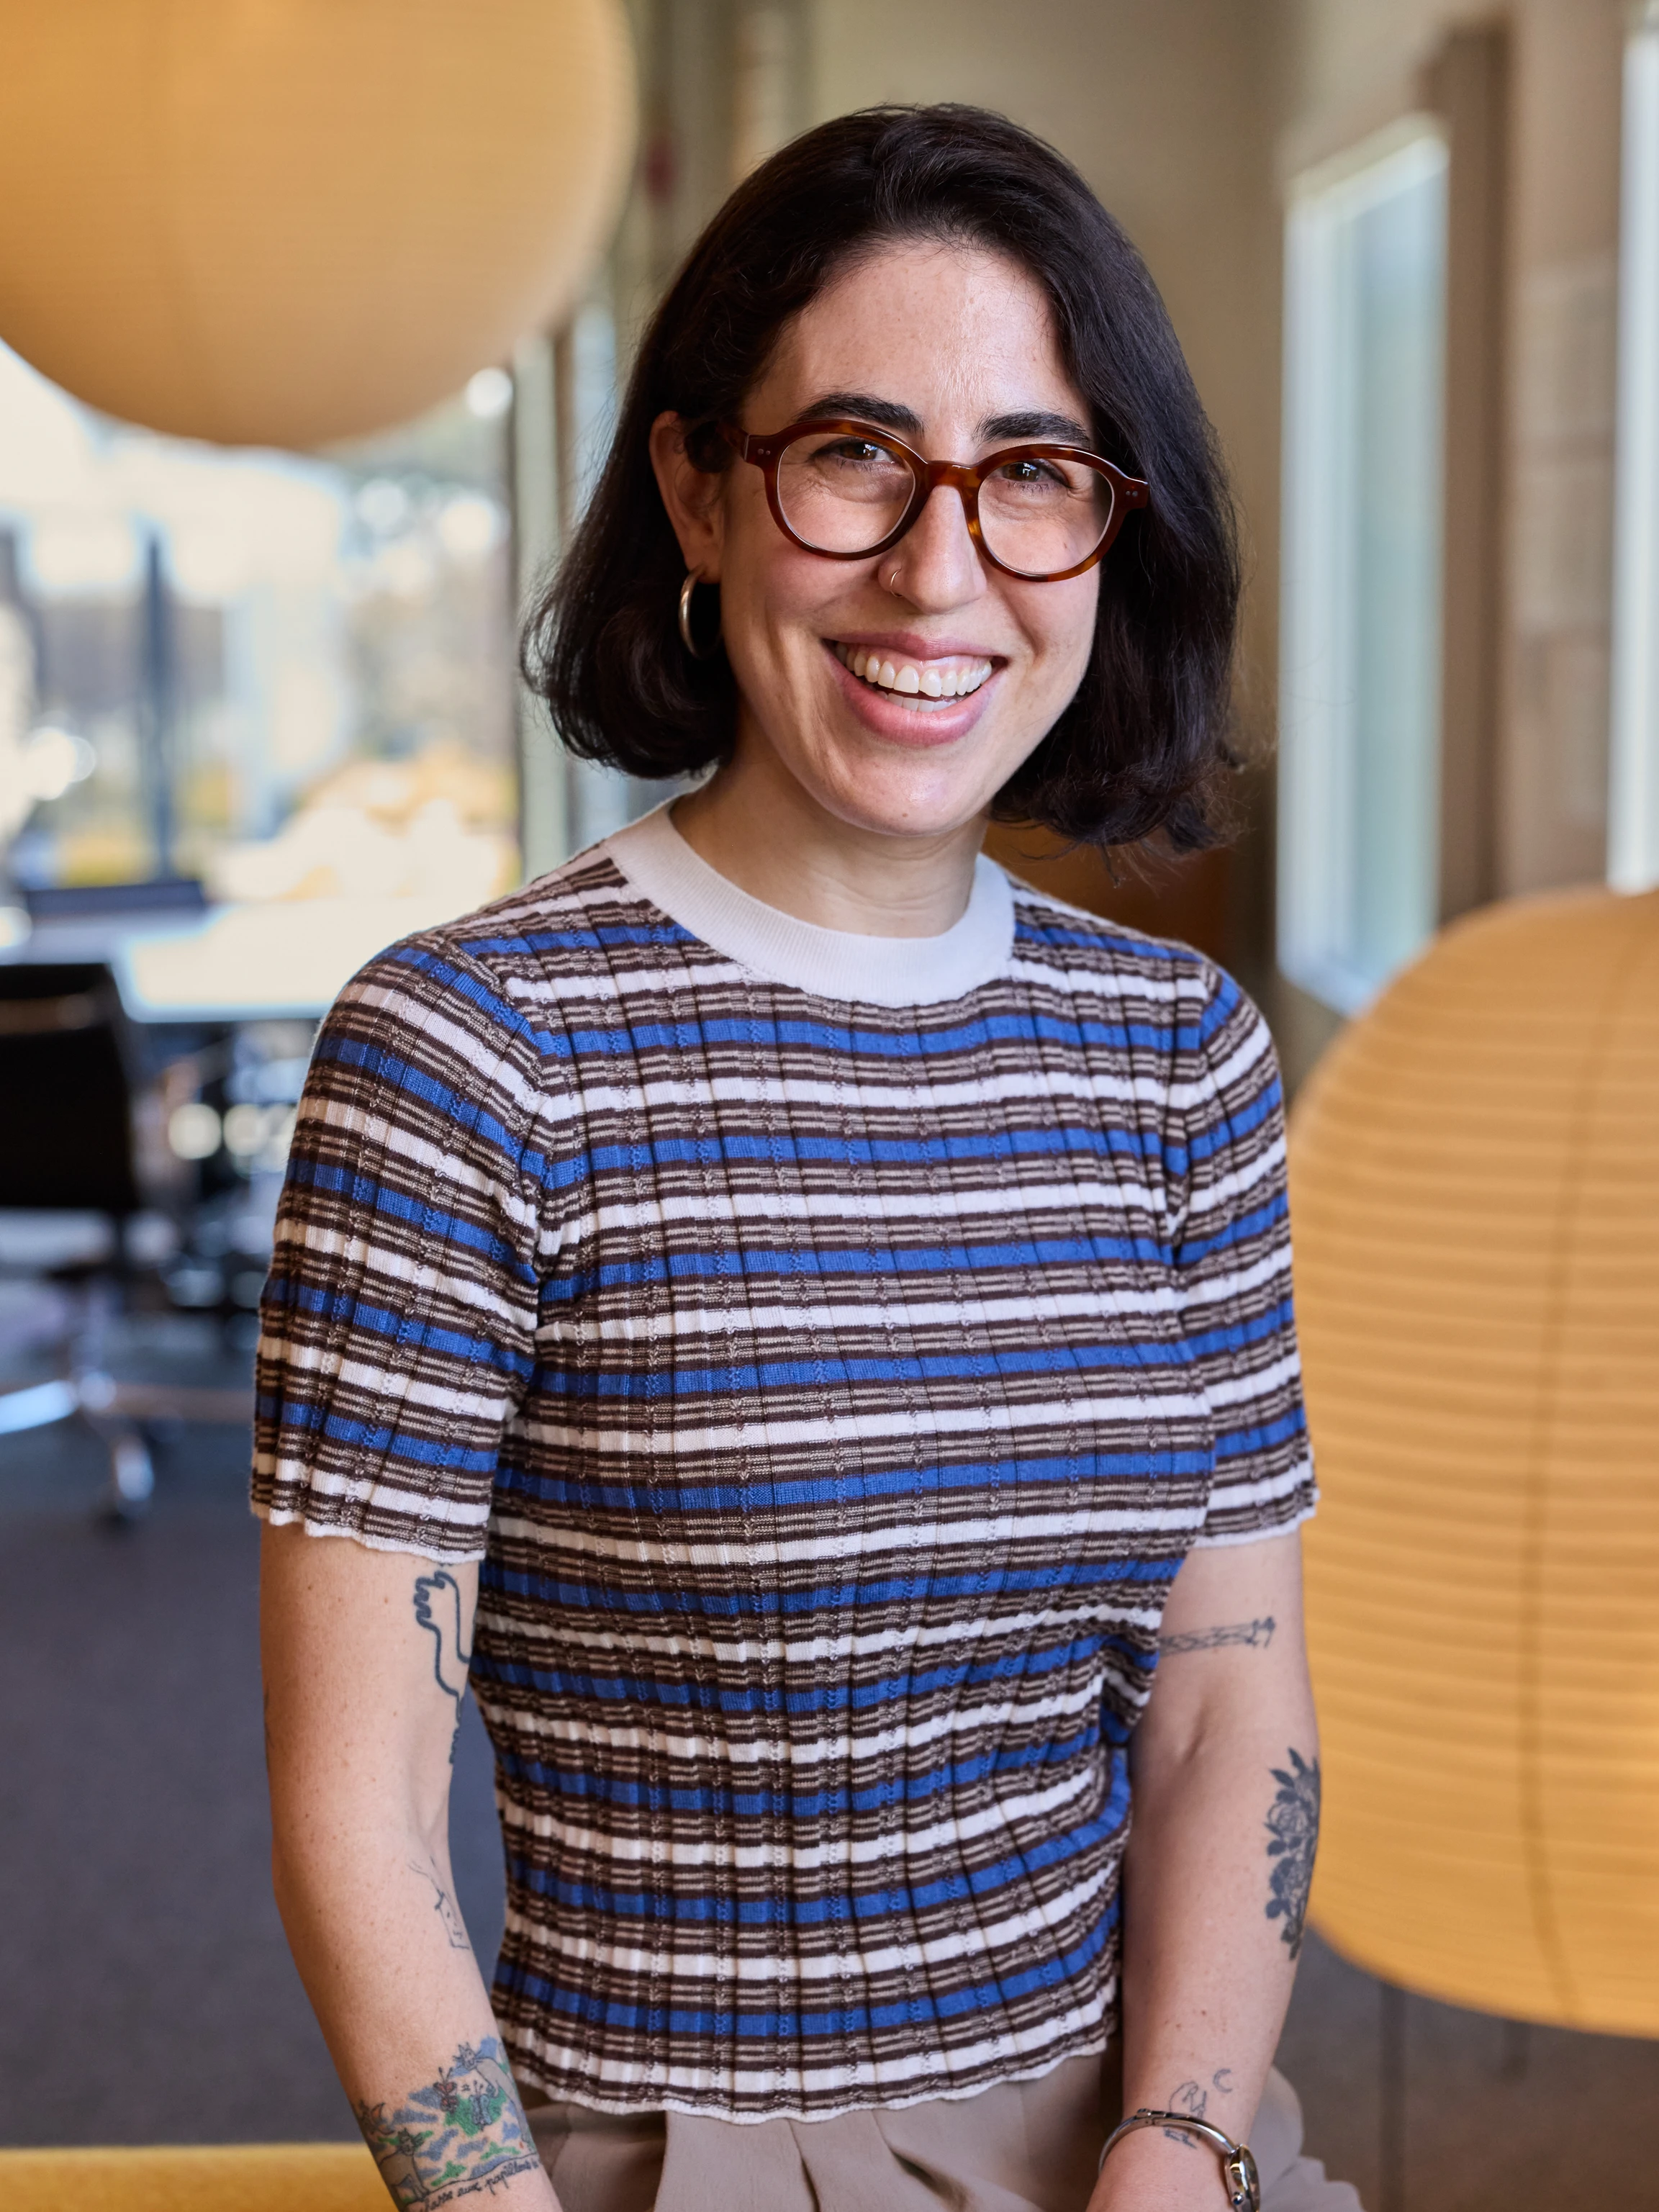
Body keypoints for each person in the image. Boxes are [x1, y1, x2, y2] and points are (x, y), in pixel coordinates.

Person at [256, 105, 1359, 2212]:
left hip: (1141, 2135)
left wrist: (1184, 2144)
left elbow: (1230, 1699)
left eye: (1033, 472)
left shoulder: (1178, 1060)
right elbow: (355, 1812)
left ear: (1109, 533)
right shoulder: (469, 1050)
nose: (939, 571)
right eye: (856, 452)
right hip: (676, 2164)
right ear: (699, 482)